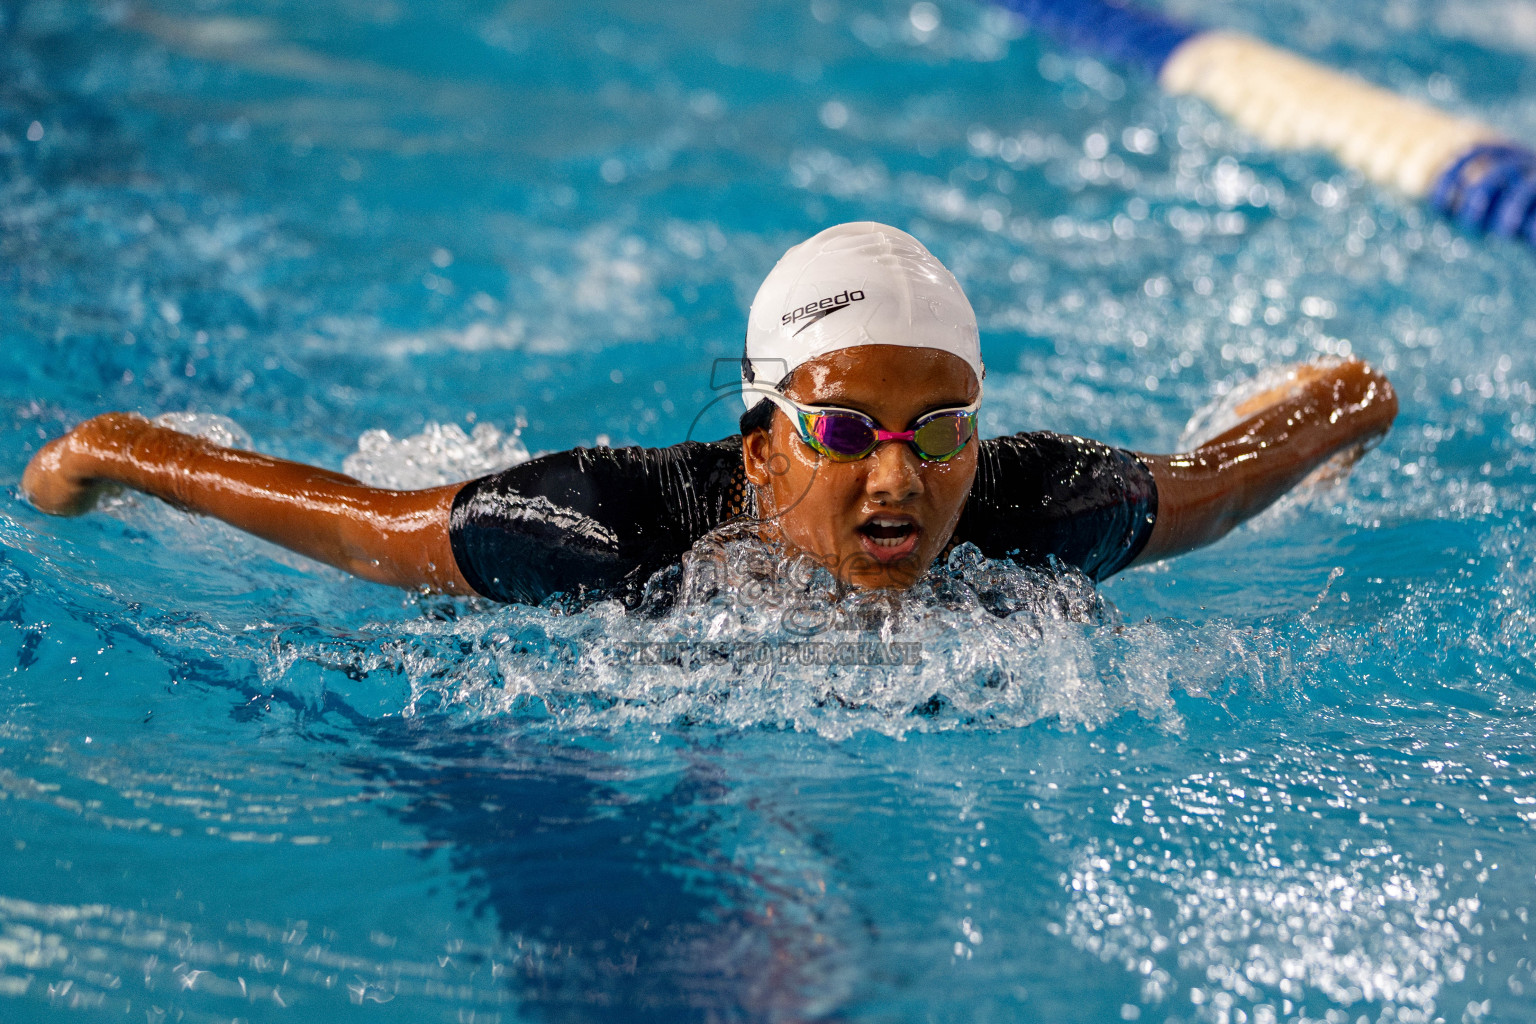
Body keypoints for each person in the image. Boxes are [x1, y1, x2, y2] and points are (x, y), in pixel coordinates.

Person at [20, 222, 1398, 606]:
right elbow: (365, 521)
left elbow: (1222, 481)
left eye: (939, 431)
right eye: (847, 432)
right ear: (761, 442)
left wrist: (1342, 404)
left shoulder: (1044, 509)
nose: (898, 481)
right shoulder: (600, 532)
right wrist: (128, 456)